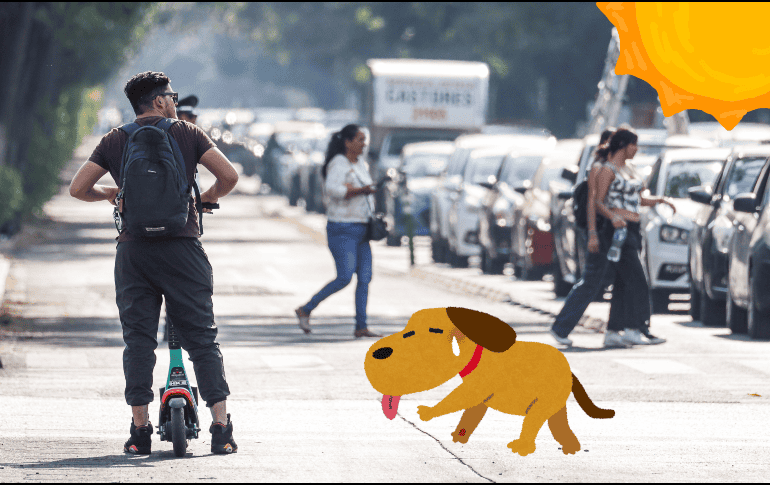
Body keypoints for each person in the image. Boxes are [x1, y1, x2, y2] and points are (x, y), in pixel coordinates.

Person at [69, 71, 240, 455]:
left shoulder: (115, 139)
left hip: (135, 253)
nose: (175, 102)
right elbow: (229, 176)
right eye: (172, 96)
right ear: (160, 101)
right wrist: (206, 198)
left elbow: (77, 189)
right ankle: (220, 428)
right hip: (183, 249)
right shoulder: (187, 133)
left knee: (138, 341)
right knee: (202, 339)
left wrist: (112, 194)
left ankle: (140, 430)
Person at [295, 124, 382, 338]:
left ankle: (361, 325)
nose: (364, 144)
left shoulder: (361, 163)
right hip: (342, 227)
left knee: (365, 278)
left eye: (365, 140)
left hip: (362, 226)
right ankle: (306, 309)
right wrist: (361, 190)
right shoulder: (338, 164)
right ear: (348, 142)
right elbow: (333, 190)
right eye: (360, 139)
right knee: (344, 276)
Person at [593, 127, 673, 347]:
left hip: (634, 229)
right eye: (633, 145)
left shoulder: (631, 169)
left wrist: (660, 200)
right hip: (618, 231)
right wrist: (612, 217)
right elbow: (599, 202)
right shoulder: (607, 171)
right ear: (622, 145)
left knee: (622, 282)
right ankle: (637, 328)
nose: (636, 149)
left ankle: (614, 331)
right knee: (638, 280)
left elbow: (638, 199)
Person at [549, 128, 616, 347]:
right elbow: (592, 205)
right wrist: (594, 234)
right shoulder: (598, 169)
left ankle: (622, 328)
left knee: (618, 280)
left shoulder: (611, 167)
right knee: (590, 281)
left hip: (610, 233)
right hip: (600, 232)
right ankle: (561, 326)